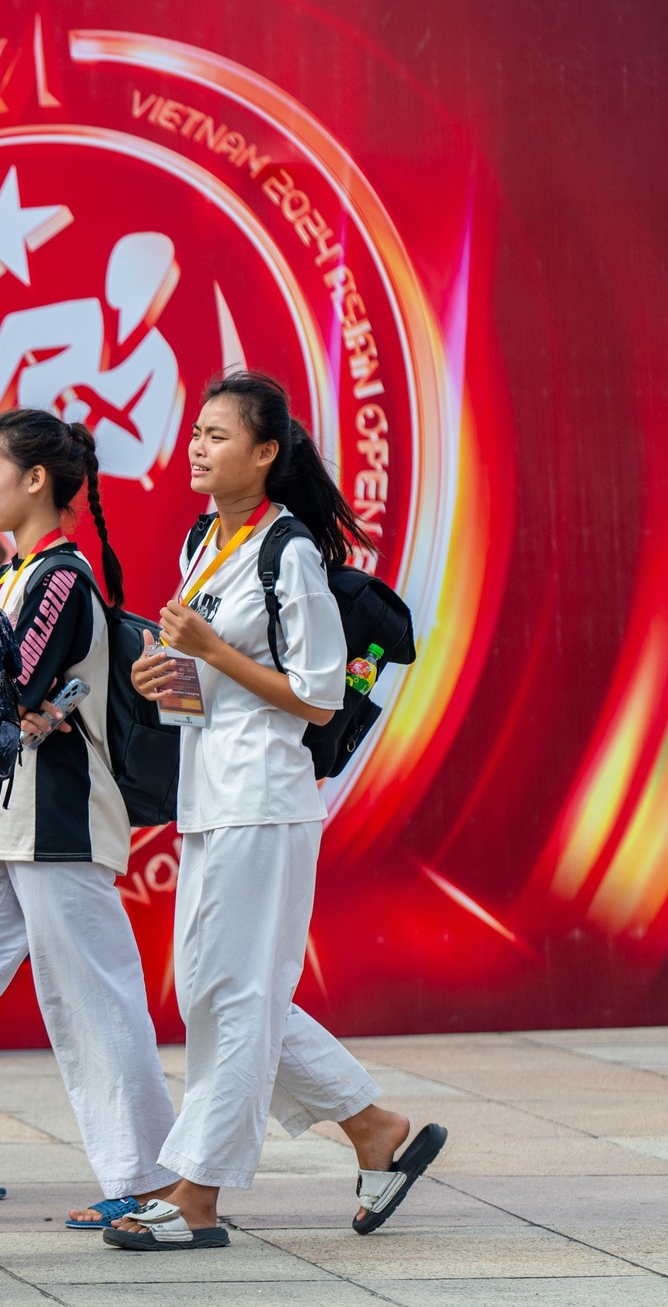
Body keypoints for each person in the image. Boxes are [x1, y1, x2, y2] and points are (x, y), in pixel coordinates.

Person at [116, 371, 446, 1251]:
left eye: (218, 435)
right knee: (216, 992)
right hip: (209, 796)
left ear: (266, 454)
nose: (198, 446)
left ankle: (197, 1196)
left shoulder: (288, 551)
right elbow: (206, 690)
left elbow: (321, 697)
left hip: (266, 800)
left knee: (234, 997)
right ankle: (373, 1128)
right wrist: (165, 679)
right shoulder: (202, 542)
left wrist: (208, 646)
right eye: (196, 432)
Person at [0, 408, 184, 1229]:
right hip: (7, 819)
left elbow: (6, 689)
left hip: (57, 819)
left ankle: (153, 1184)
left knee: (94, 1004)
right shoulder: (16, 578)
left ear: (36, 480)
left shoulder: (58, 579)